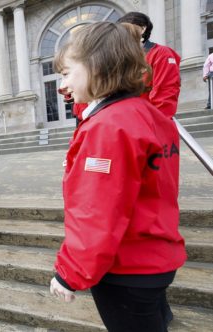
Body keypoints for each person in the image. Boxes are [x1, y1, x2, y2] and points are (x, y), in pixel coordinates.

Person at [49, 22, 186, 332]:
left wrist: (69, 273)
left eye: (67, 73)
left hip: (128, 265)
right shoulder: (145, 113)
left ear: (96, 66)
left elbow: (97, 211)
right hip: (154, 254)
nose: (61, 85)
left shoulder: (109, 125)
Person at [117, 12, 181, 118]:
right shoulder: (122, 57)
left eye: (127, 28)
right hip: (127, 118)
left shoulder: (161, 53)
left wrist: (156, 120)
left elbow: (165, 92)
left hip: (148, 120)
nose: (123, 34)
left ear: (142, 29)